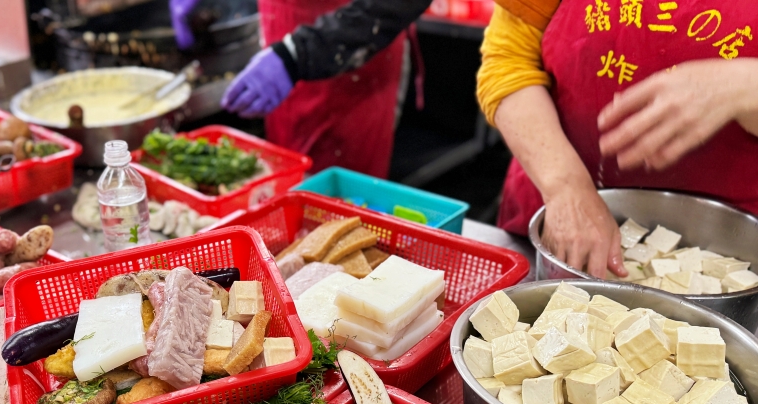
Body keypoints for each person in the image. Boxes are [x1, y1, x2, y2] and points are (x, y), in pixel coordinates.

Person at [477, 0, 758, 278]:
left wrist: (744, 85)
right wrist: (564, 186)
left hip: (734, 249)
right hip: (553, 212)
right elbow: (508, 59)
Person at [207, 0, 434, 178]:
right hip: (280, 54)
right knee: (290, 186)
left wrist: (298, 54)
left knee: (341, 208)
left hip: (350, 59)